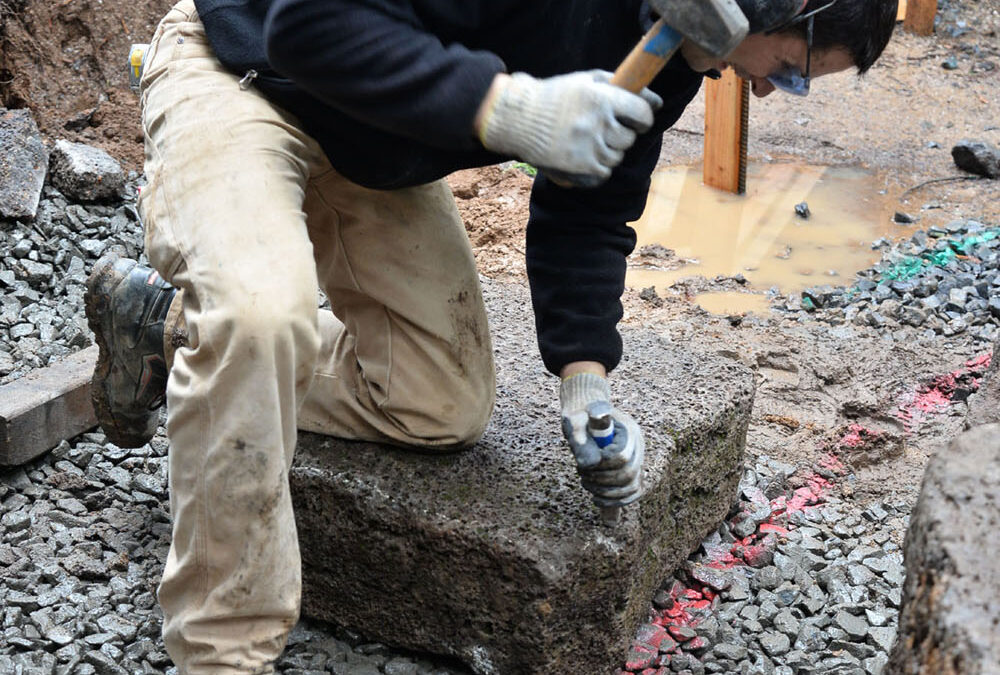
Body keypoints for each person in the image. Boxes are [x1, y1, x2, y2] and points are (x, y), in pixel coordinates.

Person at [84, 0, 897, 670]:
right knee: (260, 318)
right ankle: (223, 653)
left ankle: (162, 325)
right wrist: (508, 106)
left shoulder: (680, 44)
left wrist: (586, 378)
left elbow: (591, 202)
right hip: (245, 75)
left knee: (437, 403)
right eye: (788, 70)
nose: (762, 92)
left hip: (369, 142)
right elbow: (311, 24)